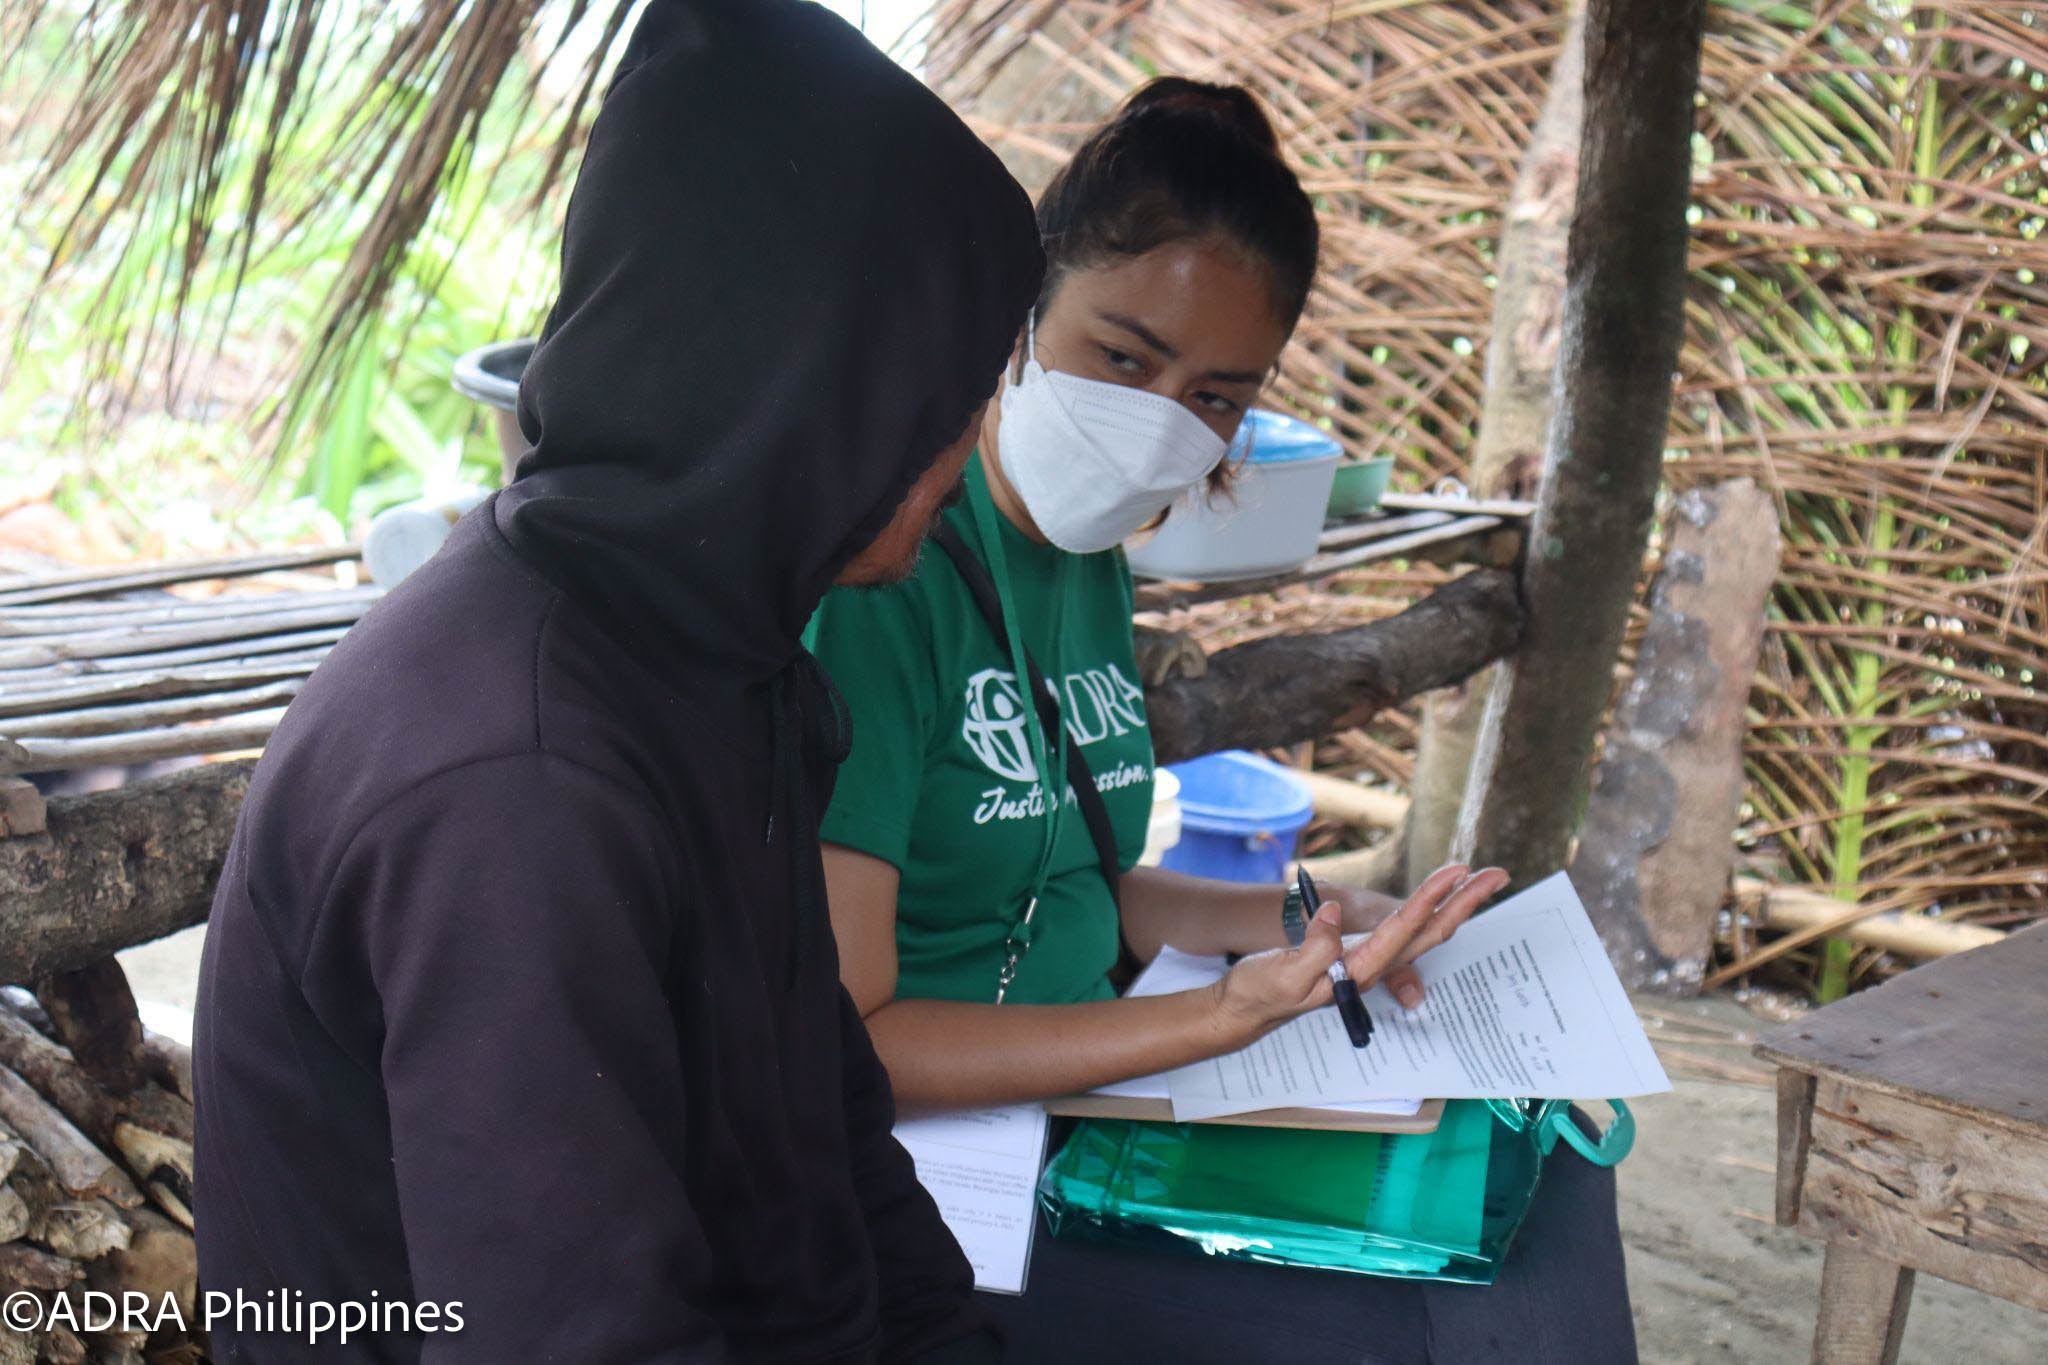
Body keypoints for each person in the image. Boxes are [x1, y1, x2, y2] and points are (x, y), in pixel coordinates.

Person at [192, 2, 1043, 1360]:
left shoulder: (709, 655)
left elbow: (832, 1131)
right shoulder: (516, 784)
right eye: (954, 391)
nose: (969, 448)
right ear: (819, 392)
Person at [805, 80, 1638, 1361]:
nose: (1154, 422)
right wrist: (1218, 1017)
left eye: (1213, 395)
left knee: (1543, 1182)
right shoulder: (886, 577)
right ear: (1018, 313)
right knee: (1419, 1321)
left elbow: (1067, 885)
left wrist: (1307, 922)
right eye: (1122, 358)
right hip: (937, 1169)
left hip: (1093, 1090)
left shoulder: (1083, 560)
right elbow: (853, 1039)